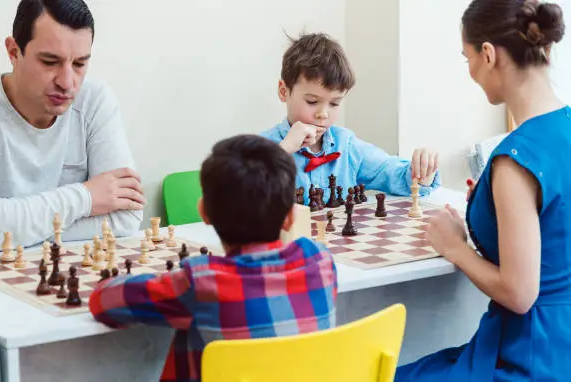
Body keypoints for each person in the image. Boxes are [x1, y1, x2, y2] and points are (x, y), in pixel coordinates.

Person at [396, 0, 571, 380]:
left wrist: (455, 246)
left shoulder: (515, 160)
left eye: (467, 58)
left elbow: (519, 294)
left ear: (488, 55)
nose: (470, 71)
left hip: (531, 356)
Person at [89, 134, 338, 382]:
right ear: (291, 217)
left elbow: (103, 303)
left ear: (203, 212)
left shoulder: (202, 282)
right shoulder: (320, 262)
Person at [0, 0, 144, 255]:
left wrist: (6, 229)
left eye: (79, 64)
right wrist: (86, 197)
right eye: (49, 61)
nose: (67, 83)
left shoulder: (95, 101)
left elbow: (127, 217)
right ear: (14, 52)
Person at [260, 33, 441, 204]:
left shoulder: (346, 145)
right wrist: (282, 151)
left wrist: (423, 170)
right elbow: (239, 197)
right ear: (284, 91)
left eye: (335, 103)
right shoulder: (262, 146)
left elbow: (395, 175)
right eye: (312, 101)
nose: (323, 114)